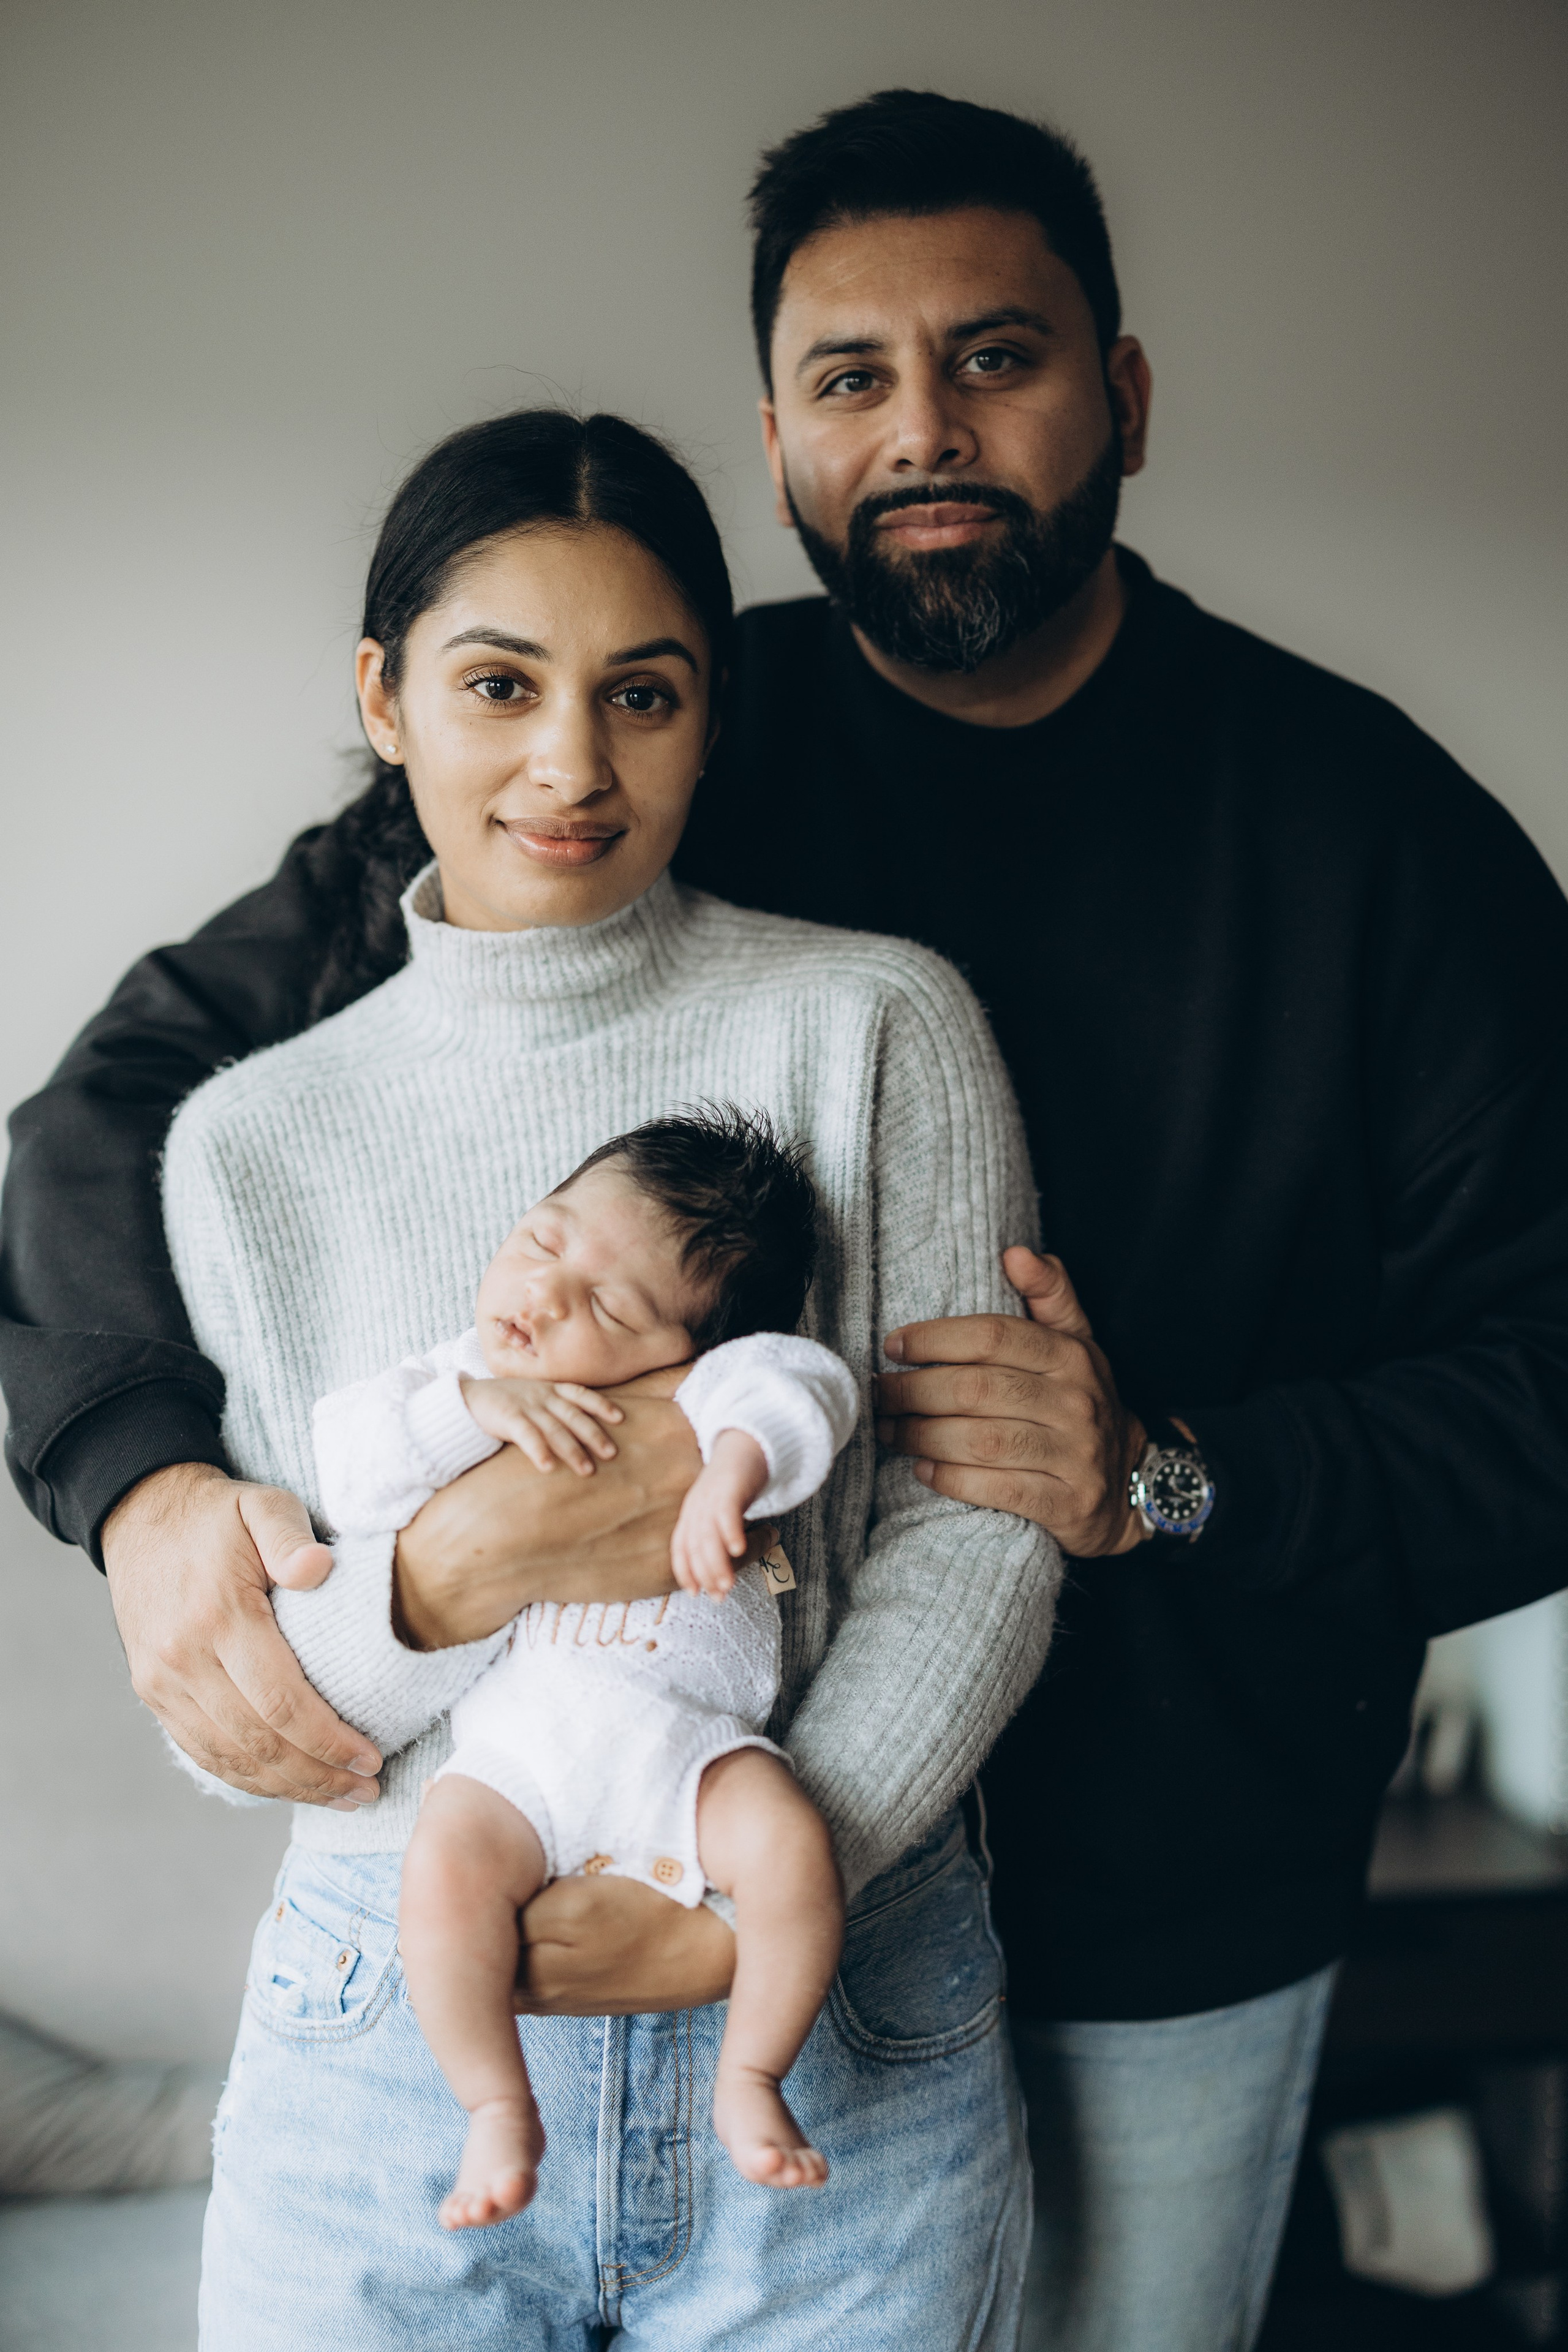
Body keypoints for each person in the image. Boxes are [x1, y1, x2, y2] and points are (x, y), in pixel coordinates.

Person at [5, 83, 1568, 2352]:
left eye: (998, 356)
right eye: (854, 376)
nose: (924, 428)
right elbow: (122, 1103)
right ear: (777, 432)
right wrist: (134, 1476)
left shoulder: (1380, 841)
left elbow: (1547, 1390)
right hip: (665, 1817)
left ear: (1122, 393)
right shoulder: (645, 728)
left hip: (1166, 1888)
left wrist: (1169, 1473)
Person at [121, 401, 1054, 2345]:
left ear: (714, 713)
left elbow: (980, 1525)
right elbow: (281, 1704)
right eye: (496, 685)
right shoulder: (247, 1145)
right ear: (385, 701)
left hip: (837, 2017)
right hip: (397, 2027)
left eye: (642, 695)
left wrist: (764, 1888)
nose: (568, 764)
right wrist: (500, 1545)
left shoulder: (874, 1026)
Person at [200, 1107, 856, 2226]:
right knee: (442, 1883)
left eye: (607, 1305)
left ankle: (751, 2077)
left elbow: (805, 1390)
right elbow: (353, 1471)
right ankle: (495, 2106)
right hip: (522, 1763)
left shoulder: (708, 1393)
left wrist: (725, 1475)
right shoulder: (448, 1384)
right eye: (546, 1242)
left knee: (794, 1849)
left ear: (680, 1350)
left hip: (695, 1747)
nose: (546, 1295)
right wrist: (473, 1408)